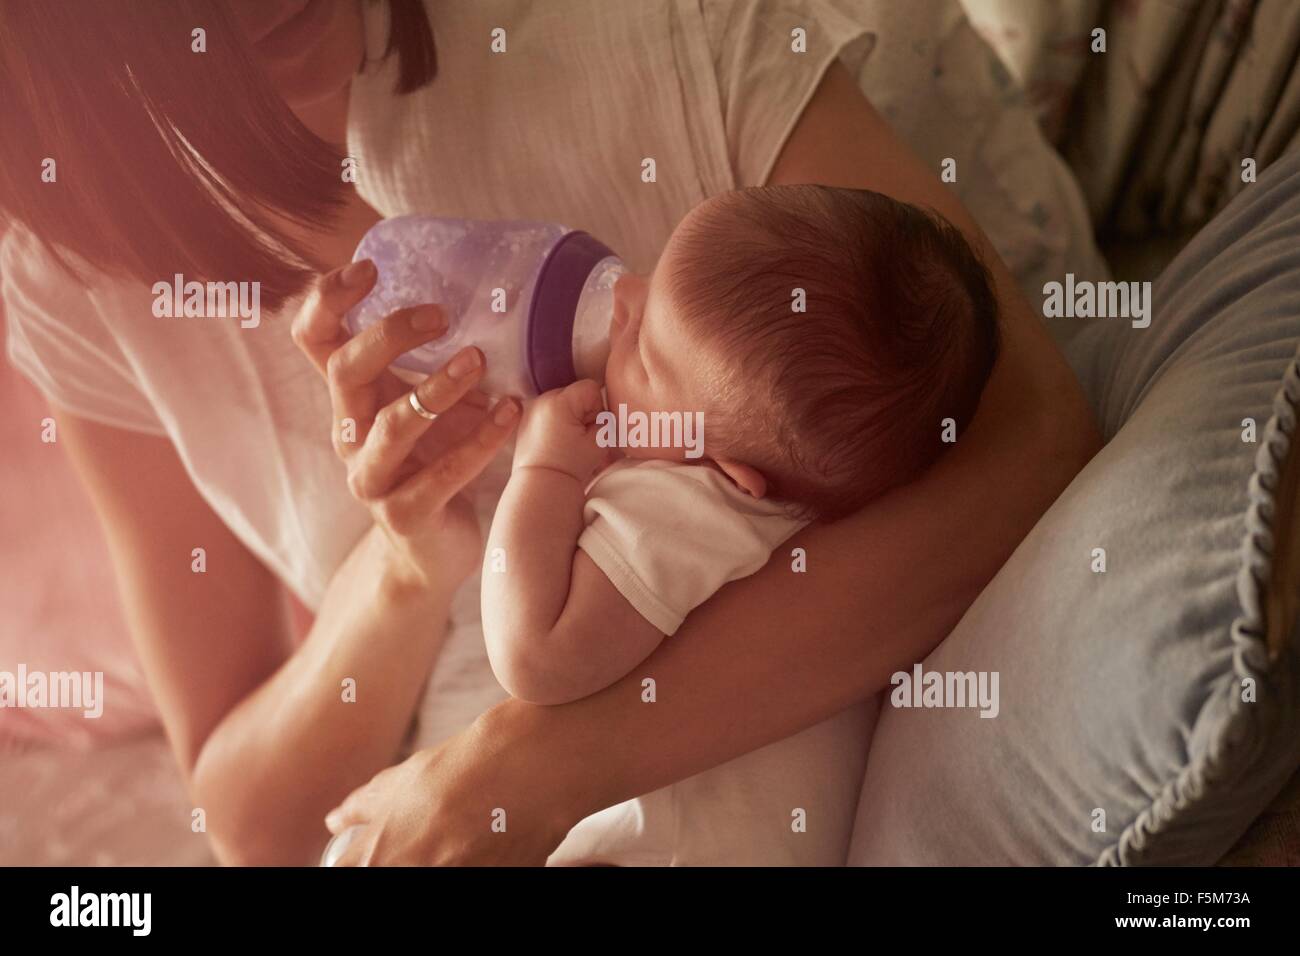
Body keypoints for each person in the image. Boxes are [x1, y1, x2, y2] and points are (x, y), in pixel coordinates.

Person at [0, 0, 1099, 866]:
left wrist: (532, 771)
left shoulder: (651, 32)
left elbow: (1026, 438)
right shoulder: (71, 273)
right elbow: (249, 823)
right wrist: (401, 561)